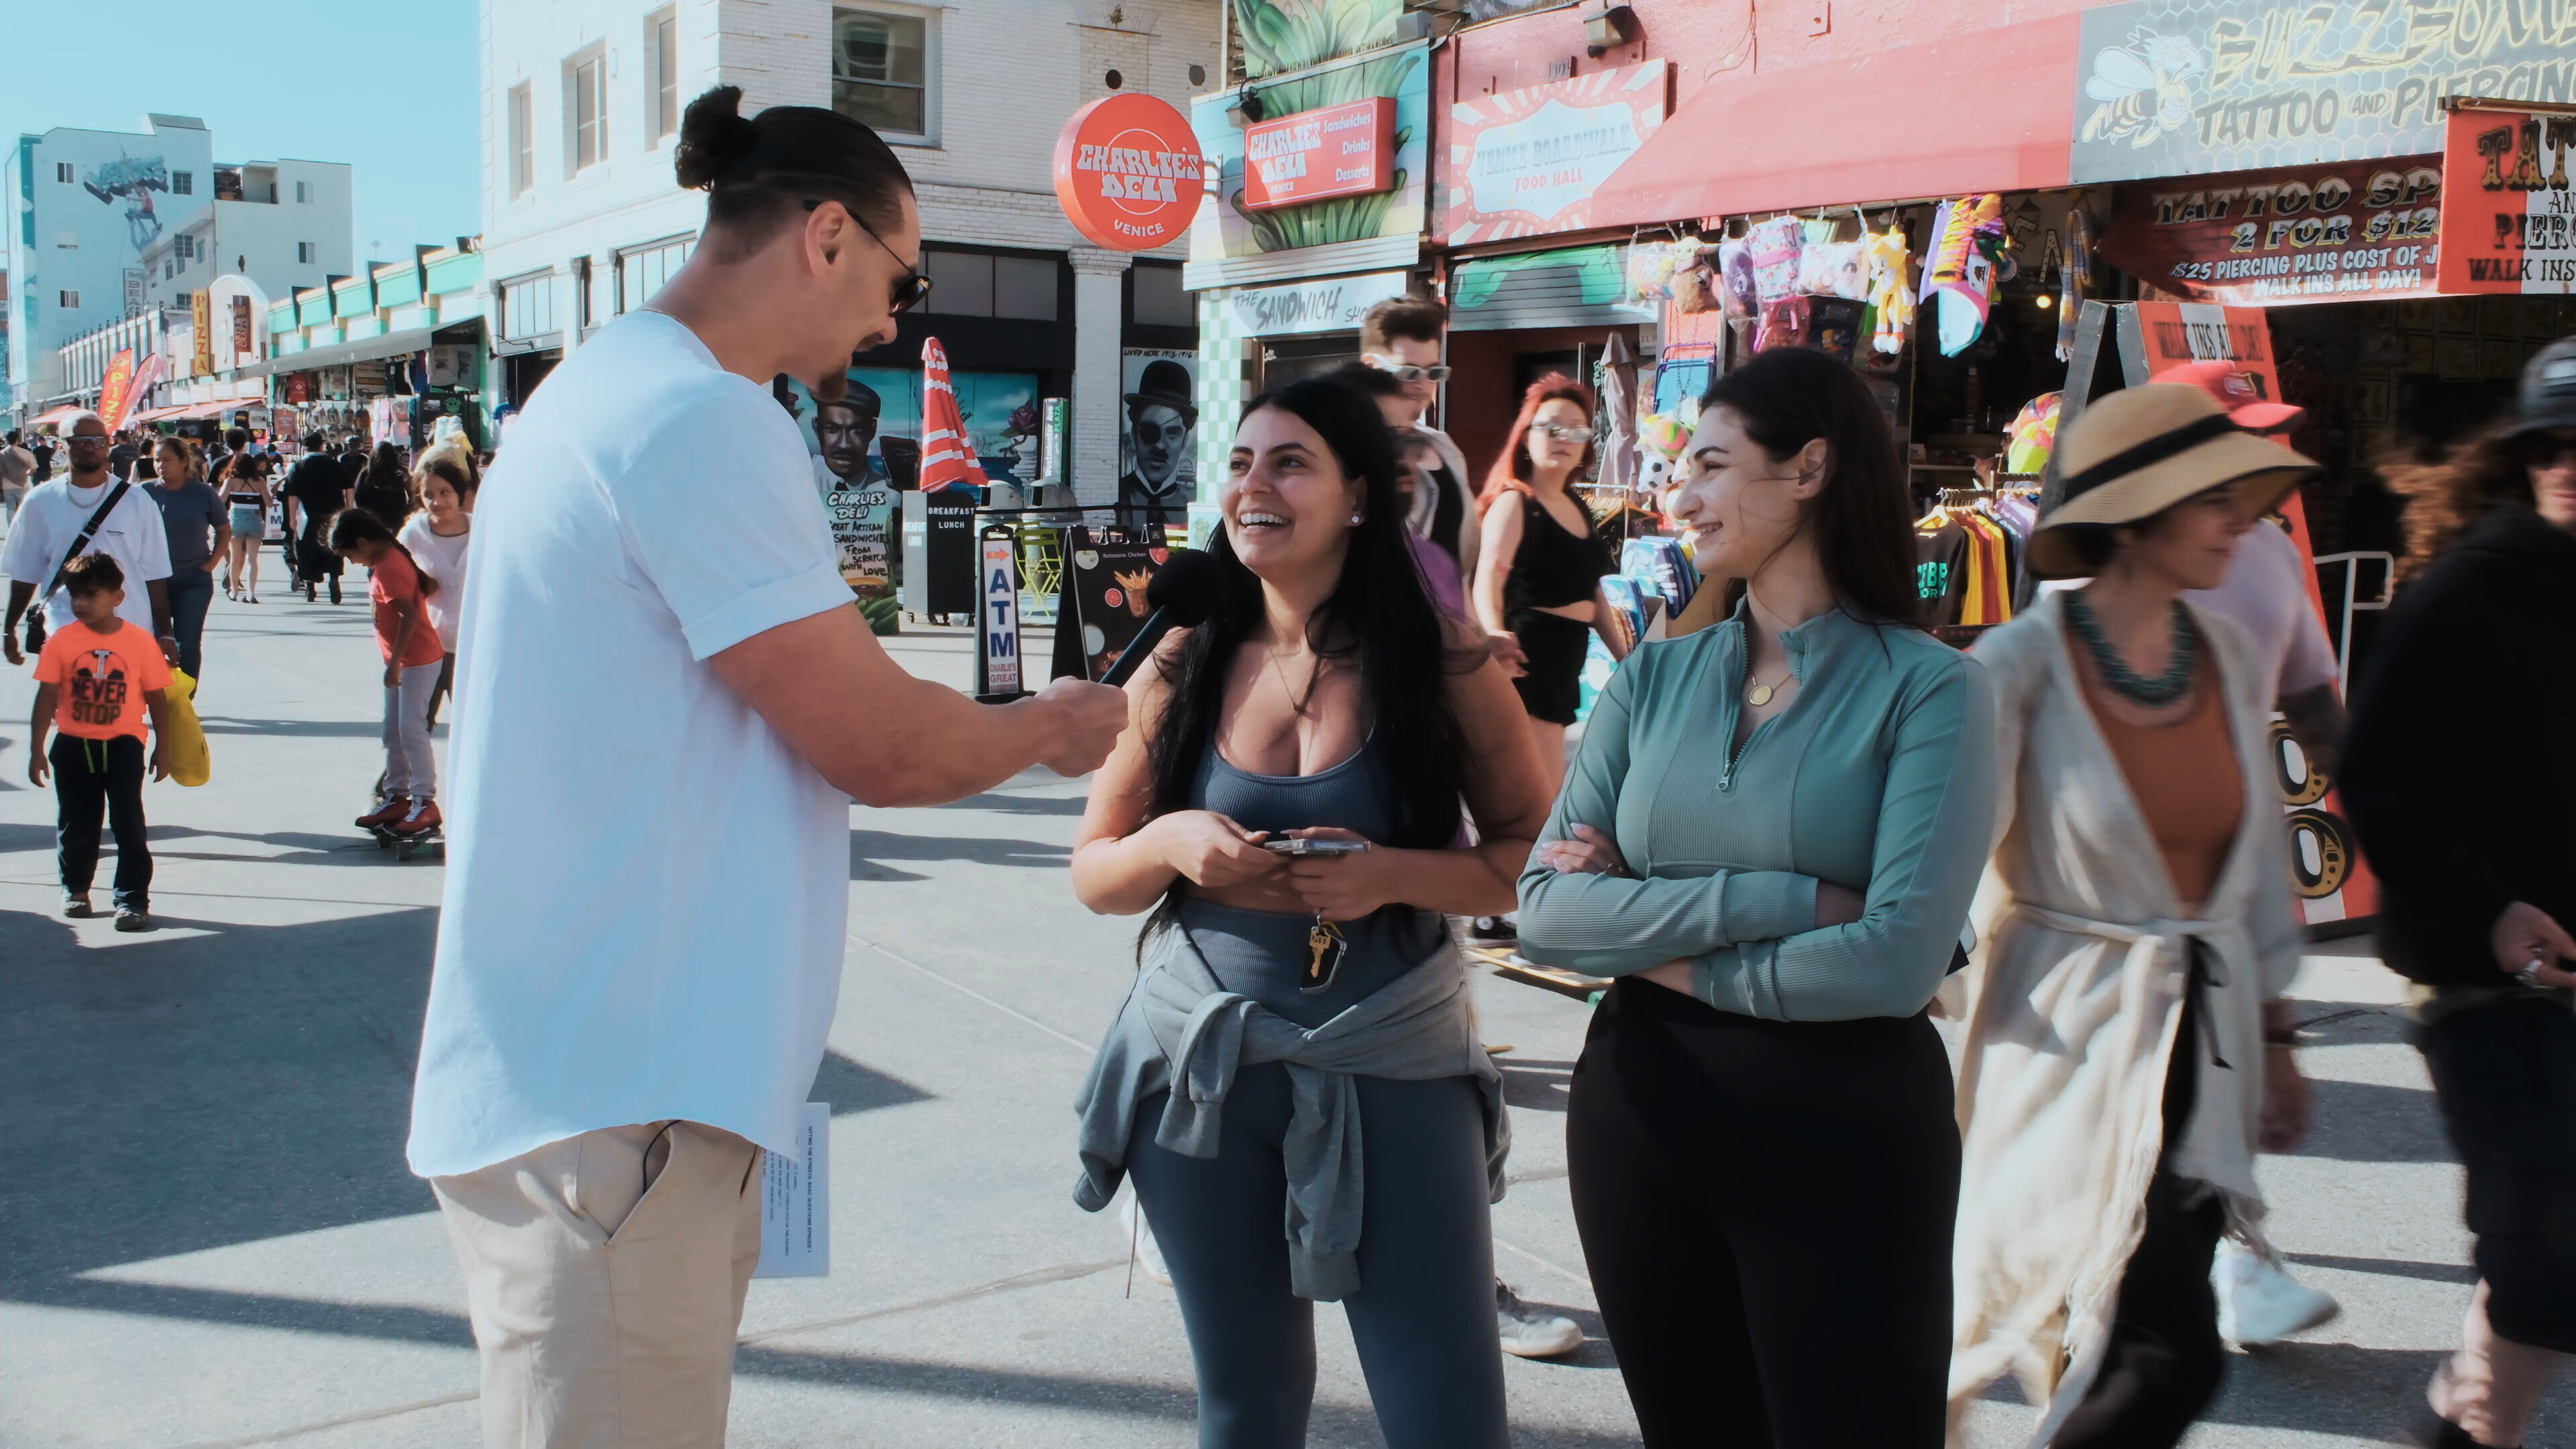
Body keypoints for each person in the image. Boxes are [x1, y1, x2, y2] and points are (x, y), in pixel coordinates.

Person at [405, 85, 1124, 1449]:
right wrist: (1048, 728)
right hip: (619, 1111)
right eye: (900, 283)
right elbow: (878, 740)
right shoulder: (699, 418)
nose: (890, 324)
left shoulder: (603, 385)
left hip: (596, 1096)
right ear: (829, 234)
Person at [1514, 347, 1994, 1447]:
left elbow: (1893, 962)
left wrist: (1634, 932)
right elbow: (1543, 911)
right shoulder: (1651, 679)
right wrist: (1780, 895)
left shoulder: (1936, 689)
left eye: (1713, 464)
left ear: (1812, 468)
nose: (1677, 495)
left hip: (1842, 1134)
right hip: (1639, 1115)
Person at [1070, 374, 1550, 1448]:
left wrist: (1394, 874)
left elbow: (1530, 863)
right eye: (1241, 464)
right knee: (1245, 1408)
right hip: (1198, 1073)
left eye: (1290, 463)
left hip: (1395, 1063)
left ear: (1361, 500)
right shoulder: (1181, 662)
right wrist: (1170, 843)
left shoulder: (1441, 666)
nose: (1253, 486)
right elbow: (1097, 870)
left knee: (1448, 1413)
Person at [1948, 383, 2319, 1448]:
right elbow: (1949, 864)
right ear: (2135, 518)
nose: (2241, 521)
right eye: (2214, 499)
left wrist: (2278, 1037)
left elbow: (2252, 871)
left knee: (2139, 1329)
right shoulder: (2018, 664)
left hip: (2198, 1043)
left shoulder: (2228, 652)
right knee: (2159, 1346)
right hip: (2062, 1037)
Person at [2341, 338, 2576, 1449]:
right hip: (2486, 987)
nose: (2571, 465)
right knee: (2542, 1244)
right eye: (2553, 446)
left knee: (2551, 1261)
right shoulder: (2471, 590)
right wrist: (2491, 910)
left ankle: (2469, 1422)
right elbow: (2376, 779)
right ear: (2523, 457)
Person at [2146, 360, 2349, 1344]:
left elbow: (2310, 686)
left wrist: (2383, 808)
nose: (2264, 454)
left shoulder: (2267, 550)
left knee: (2220, 1071)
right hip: (2118, 884)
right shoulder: (2099, 562)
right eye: (2239, 435)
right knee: (2159, 1091)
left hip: (2236, 858)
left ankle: (2229, 1257)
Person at [1472, 375, 1626, 793]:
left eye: (1576, 431)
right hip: (1526, 653)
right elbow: (1490, 572)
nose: (1564, 439)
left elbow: (1592, 593)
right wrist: (1493, 633)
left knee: (1548, 783)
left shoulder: (1578, 504)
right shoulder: (1516, 501)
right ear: (1526, 437)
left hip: (1568, 651)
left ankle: (1530, 855)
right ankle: (1528, 857)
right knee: (1539, 788)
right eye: (1551, 428)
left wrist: (1625, 658)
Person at [25, 551, 172, 931]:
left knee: (129, 826)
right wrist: (36, 749)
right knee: (77, 823)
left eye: (91, 594)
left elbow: (157, 696)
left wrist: (164, 747)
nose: (80, 603)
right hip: (73, 746)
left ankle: (132, 900)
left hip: (123, 746)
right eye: (74, 595)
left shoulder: (140, 643)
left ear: (117, 597)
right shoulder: (61, 641)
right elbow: (46, 697)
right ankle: (75, 889)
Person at [2, 412, 178, 672]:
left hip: (129, 632)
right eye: (79, 440)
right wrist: (8, 631)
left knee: (126, 712)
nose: (90, 446)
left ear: (108, 444)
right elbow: (25, 574)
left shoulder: (138, 502)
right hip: (63, 632)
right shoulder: (39, 501)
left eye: (97, 440)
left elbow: (155, 575)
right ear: (61, 445)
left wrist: (166, 633)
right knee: (64, 711)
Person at [330, 509, 447, 840]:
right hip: (404, 661)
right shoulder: (386, 563)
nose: (352, 562)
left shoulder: (389, 568)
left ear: (364, 542)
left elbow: (408, 617)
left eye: (350, 555)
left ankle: (425, 801)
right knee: (393, 732)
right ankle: (397, 796)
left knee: (411, 730)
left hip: (417, 660)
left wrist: (395, 663)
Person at [1323, 362, 1466, 619]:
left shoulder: (1430, 562)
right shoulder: (1289, 564)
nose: (1403, 460)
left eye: (1408, 439)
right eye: (1386, 439)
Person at [1358, 294, 1478, 584]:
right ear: (1371, 366)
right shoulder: (1339, 447)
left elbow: (1460, 566)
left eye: (1434, 372)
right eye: (1409, 371)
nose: (1423, 384)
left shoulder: (1444, 447)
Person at [397, 453, 475, 729]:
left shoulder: (483, 530)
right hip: (428, 647)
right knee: (416, 727)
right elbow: (391, 580)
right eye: (429, 494)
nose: (438, 502)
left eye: (445, 492)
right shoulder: (412, 534)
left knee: (475, 726)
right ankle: (403, 774)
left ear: (460, 493)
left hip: (474, 646)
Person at [143, 435, 227, 681]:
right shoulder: (144, 493)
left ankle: (185, 700)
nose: (161, 465)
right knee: (154, 642)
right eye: (157, 460)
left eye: (167, 460)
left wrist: (211, 563)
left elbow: (223, 530)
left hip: (193, 580)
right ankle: (159, 695)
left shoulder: (202, 493)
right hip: (152, 582)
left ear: (183, 461)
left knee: (188, 643)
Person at [1115, 357, 1197, 535]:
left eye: (1172, 433)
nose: (1160, 445)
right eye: (1149, 432)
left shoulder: (1195, 506)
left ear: (1184, 440)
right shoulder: (1117, 498)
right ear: (1134, 435)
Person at [280, 431, 350, 603]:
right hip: (333, 515)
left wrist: (292, 518)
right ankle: (334, 578)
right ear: (322, 445)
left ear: (304, 448)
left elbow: (292, 495)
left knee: (307, 550)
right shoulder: (335, 465)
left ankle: (310, 589)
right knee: (332, 547)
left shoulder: (298, 467)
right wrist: (348, 509)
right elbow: (349, 488)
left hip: (308, 516)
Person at [217, 447, 272, 604]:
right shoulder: (259, 481)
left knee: (235, 558)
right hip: (255, 519)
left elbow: (220, 500)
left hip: (235, 519)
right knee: (252, 559)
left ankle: (234, 591)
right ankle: (251, 593)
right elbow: (269, 503)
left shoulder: (231, 480)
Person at [353, 441, 411, 528]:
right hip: (396, 518)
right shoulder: (399, 472)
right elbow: (411, 493)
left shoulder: (367, 473)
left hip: (374, 519)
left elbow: (358, 497)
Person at [1, 428, 34, 532]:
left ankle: (11, 528)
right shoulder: (25, 453)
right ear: (18, 440)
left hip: (7, 485)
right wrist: (27, 474)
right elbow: (34, 468)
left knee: (10, 508)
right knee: (22, 507)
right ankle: (22, 528)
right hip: (23, 484)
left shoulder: (2, 454)